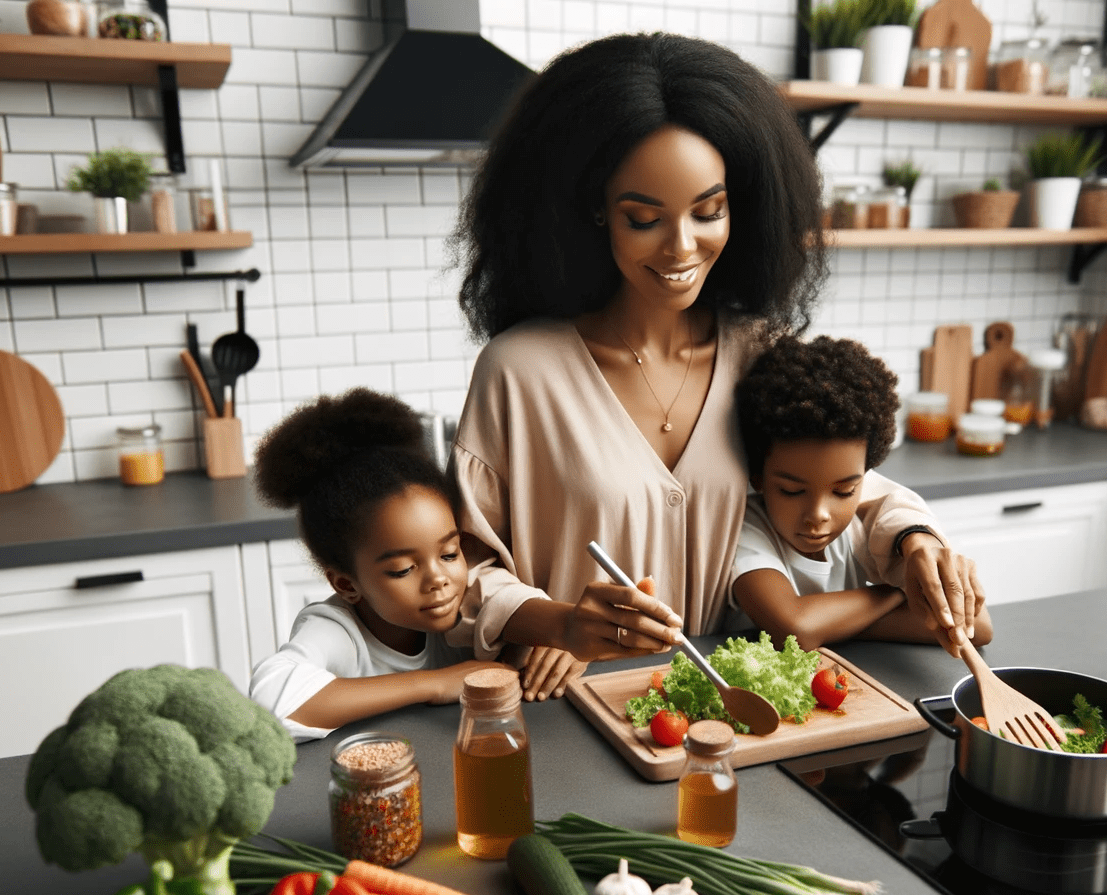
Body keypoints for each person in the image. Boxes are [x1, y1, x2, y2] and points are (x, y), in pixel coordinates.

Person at [451, 33, 984, 703]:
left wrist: (913, 541)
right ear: (593, 213)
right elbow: (464, 570)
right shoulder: (520, 373)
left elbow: (845, 485)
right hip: (577, 707)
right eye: (643, 217)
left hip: (736, 710)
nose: (681, 246)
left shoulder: (760, 353)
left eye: (709, 211)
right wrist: (560, 623)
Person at [248, 388, 512, 741]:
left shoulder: (468, 604)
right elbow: (270, 705)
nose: (439, 579)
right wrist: (432, 684)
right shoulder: (337, 631)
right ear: (347, 585)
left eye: (449, 554)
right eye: (403, 569)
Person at [729, 335, 993, 651]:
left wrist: (832, 624)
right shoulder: (743, 529)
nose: (818, 514)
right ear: (758, 477)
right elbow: (795, 627)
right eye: (792, 490)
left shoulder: (863, 523)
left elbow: (977, 625)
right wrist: (898, 591)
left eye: (843, 491)